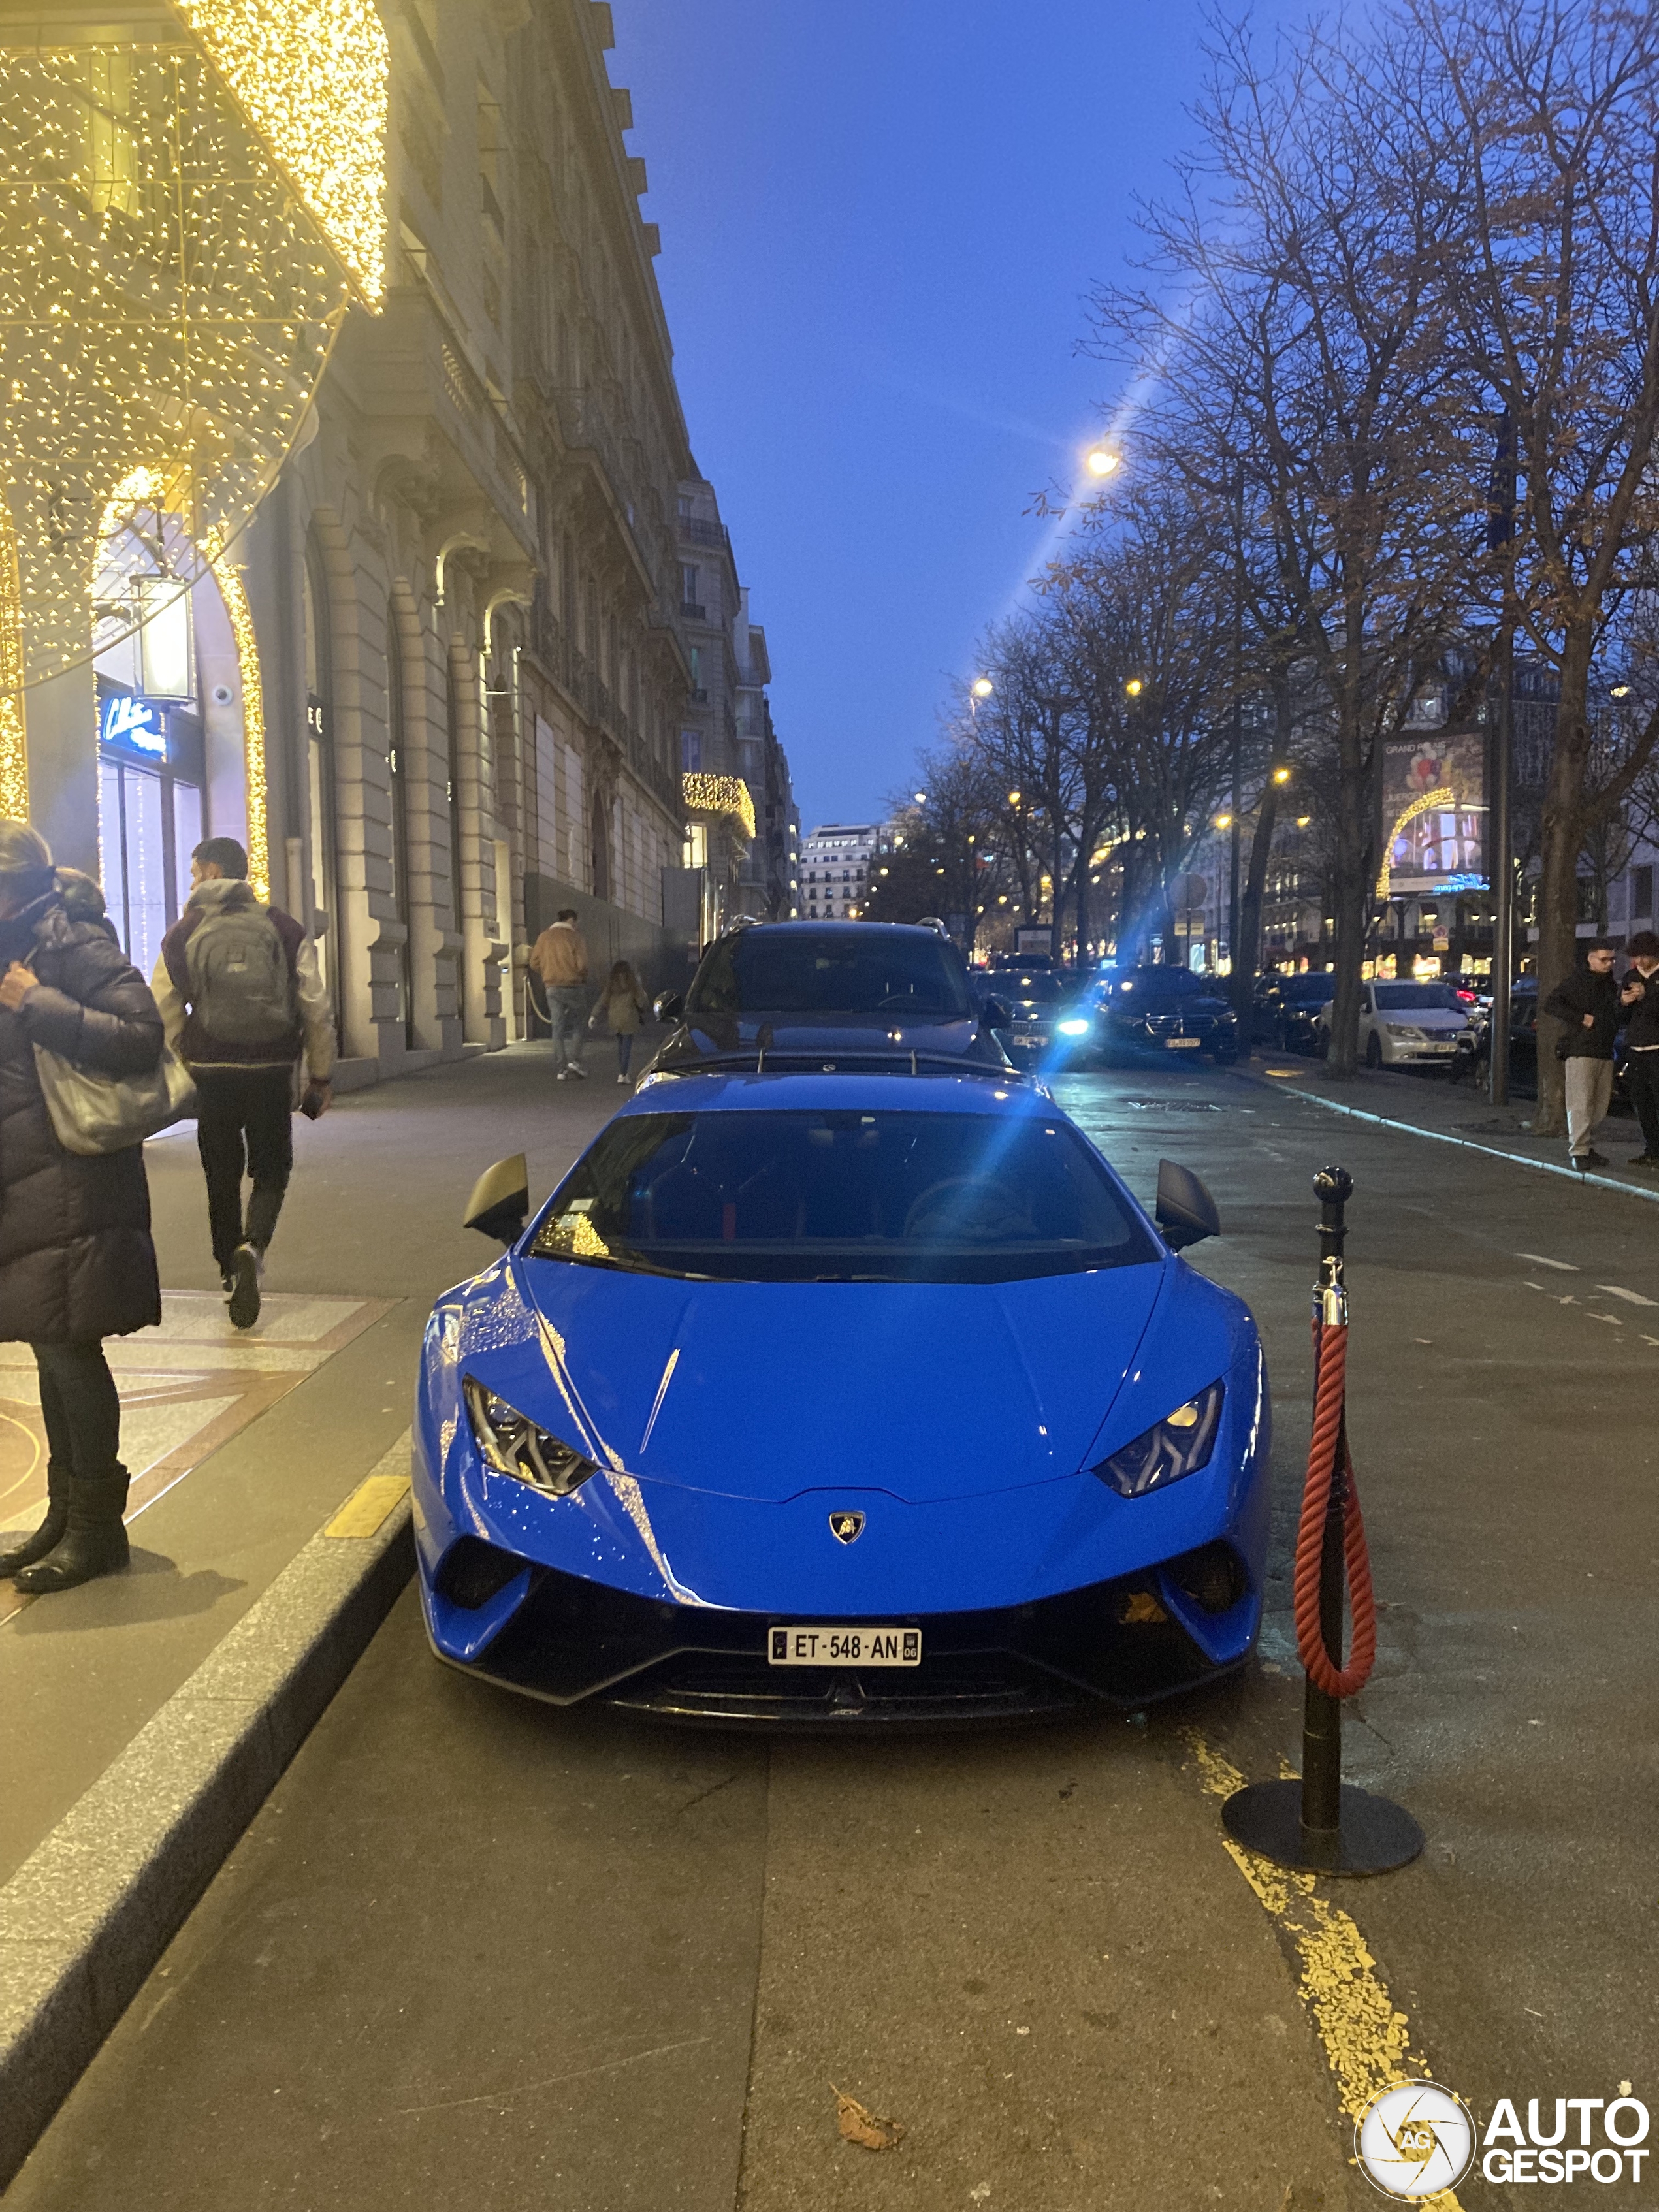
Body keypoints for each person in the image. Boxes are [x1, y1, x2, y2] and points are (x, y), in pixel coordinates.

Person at [0, 824, 165, 1594]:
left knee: (71, 1348)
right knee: (46, 1342)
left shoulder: (66, 941)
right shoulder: (14, 944)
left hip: (71, 1176)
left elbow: (142, 1034)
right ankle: (65, 1516)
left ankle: (100, 1530)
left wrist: (41, 1005)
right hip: (24, 1176)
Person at [152, 837, 333, 1330]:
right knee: (272, 1169)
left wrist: (174, 1073)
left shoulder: (183, 932)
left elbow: (163, 1010)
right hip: (272, 1071)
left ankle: (229, 1270)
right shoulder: (284, 927)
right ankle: (254, 1244)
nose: (192, 881)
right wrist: (320, 1074)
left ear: (211, 871)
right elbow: (316, 1006)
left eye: (194, 871)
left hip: (212, 1073)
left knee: (221, 1173)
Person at [1544, 938, 1621, 1170]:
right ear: (1591, 959)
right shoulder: (1578, 981)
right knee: (1581, 1102)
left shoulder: (1610, 985)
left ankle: (1585, 1146)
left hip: (1603, 1049)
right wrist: (1581, 1018)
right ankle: (1579, 1151)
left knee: (1598, 1105)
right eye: (1604, 959)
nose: (1609, 964)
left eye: (1612, 959)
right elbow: (1551, 1004)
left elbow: (1611, 1014)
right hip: (1582, 1049)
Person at [530, 906, 590, 1080]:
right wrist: (580, 976)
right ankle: (575, 1062)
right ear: (571, 920)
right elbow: (583, 965)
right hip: (574, 986)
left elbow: (534, 962)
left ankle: (561, 1069)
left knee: (557, 1028)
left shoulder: (544, 937)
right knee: (578, 1025)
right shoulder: (575, 938)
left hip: (552, 987)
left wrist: (548, 973)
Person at [1619, 930, 1659, 1168]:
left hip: (1657, 1047)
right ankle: (1652, 1149)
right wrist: (1624, 1003)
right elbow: (1622, 1016)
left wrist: (1648, 996)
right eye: (1637, 957)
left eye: (1645, 956)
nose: (1641, 962)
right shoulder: (1630, 976)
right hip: (1636, 1047)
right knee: (1641, 1101)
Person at [592, 959, 649, 1083]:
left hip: (615, 1019)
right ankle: (623, 1074)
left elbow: (602, 1001)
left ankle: (622, 1072)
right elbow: (642, 1002)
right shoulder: (633, 984)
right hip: (629, 1019)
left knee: (620, 1045)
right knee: (627, 1046)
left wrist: (593, 1016)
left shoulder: (611, 985)